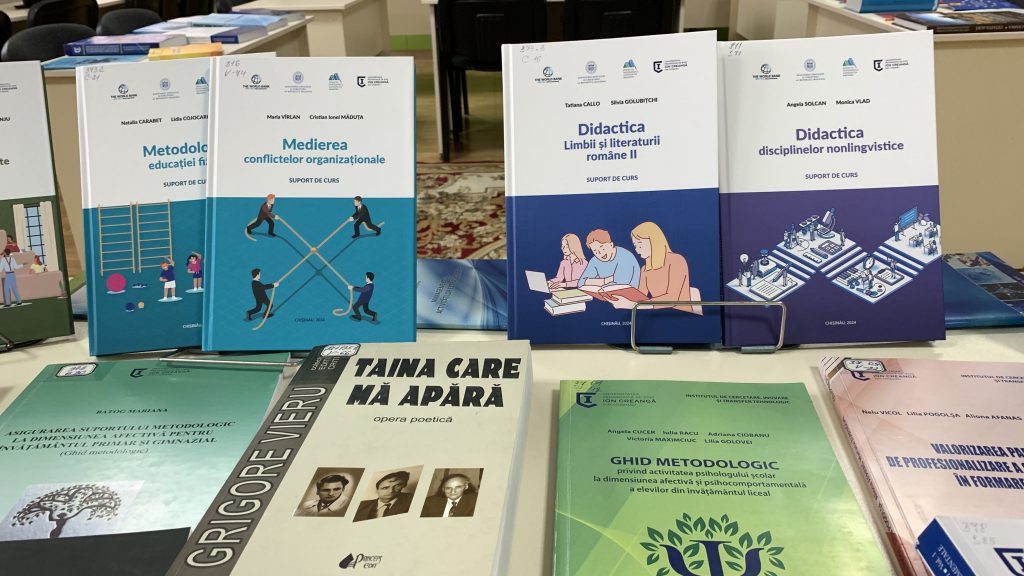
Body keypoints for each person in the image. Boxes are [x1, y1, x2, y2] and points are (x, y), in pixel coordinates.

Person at [607, 222, 696, 313]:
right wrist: (622, 297)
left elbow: (672, 299)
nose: (637, 250)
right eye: (635, 246)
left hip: (680, 315)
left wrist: (632, 304)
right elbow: (640, 298)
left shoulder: (676, 260)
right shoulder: (645, 269)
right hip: (657, 314)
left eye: (640, 244)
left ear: (654, 241)